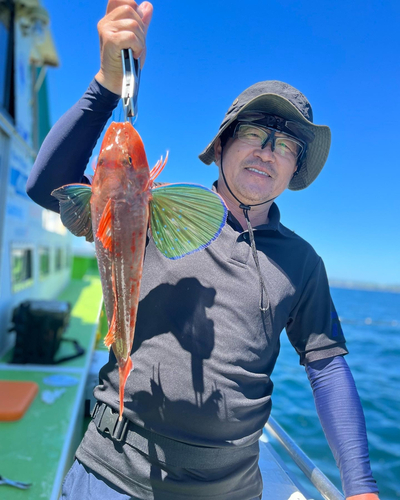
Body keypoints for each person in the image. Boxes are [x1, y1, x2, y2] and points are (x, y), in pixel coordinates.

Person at [26, 1, 380, 499]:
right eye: (255, 133)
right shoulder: (149, 209)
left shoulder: (302, 263)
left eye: (286, 145)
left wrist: (360, 485)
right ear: (220, 146)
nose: (267, 151)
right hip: (112, 474)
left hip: (231, 489)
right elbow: (47, 187)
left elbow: (326, 367)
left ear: (294, 170)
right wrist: (107, 83)